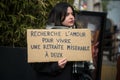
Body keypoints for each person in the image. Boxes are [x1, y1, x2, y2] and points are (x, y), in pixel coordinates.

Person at [31, 2, 95, 80]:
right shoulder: (45, 36)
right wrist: (56, 66)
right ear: (58, 16)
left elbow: (85, 67)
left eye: (72, 14)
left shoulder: (79, 36)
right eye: (67, 14)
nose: (71, 17)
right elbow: (37, 66)